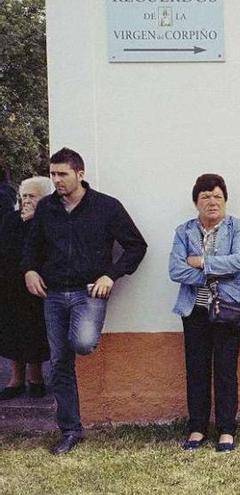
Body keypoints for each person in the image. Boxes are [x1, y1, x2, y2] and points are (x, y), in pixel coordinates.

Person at [22, 148, 147, 455]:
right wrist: (29, 270)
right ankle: (70, 430)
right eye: (52, 174)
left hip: (88, 292)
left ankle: (71, 343)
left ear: (80, 173)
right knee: (60, 363)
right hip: (52, 295)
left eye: (62, 174)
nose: (56, 180)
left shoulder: (106, 207)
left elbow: (136, 245)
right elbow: (31, 247)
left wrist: (111, 275)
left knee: (82, 343)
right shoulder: (47, 209)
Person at [169, 174, 240, 453]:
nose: (212, 202)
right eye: (205, 197)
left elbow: (239, 261)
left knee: (226, 370)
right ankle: (197, 428)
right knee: (197, 369)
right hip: (195, 309)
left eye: (217, 196)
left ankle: (226, 430)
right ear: (196, 202)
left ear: (225, 200)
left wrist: (201, 262)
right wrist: (215, 272)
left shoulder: (237, 227)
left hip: (228, 307)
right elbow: (175, 270)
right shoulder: (184, 231)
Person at [0, 177, 54, 400]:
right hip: (11, 283)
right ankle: (16, 378)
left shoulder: (50, 219)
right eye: (24, 196)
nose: (27, 200)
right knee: (12, 330)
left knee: (35, 331)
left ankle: (36, 377)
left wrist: (38, 219)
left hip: (38, 283)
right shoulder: (11, 220)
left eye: (32, 196)